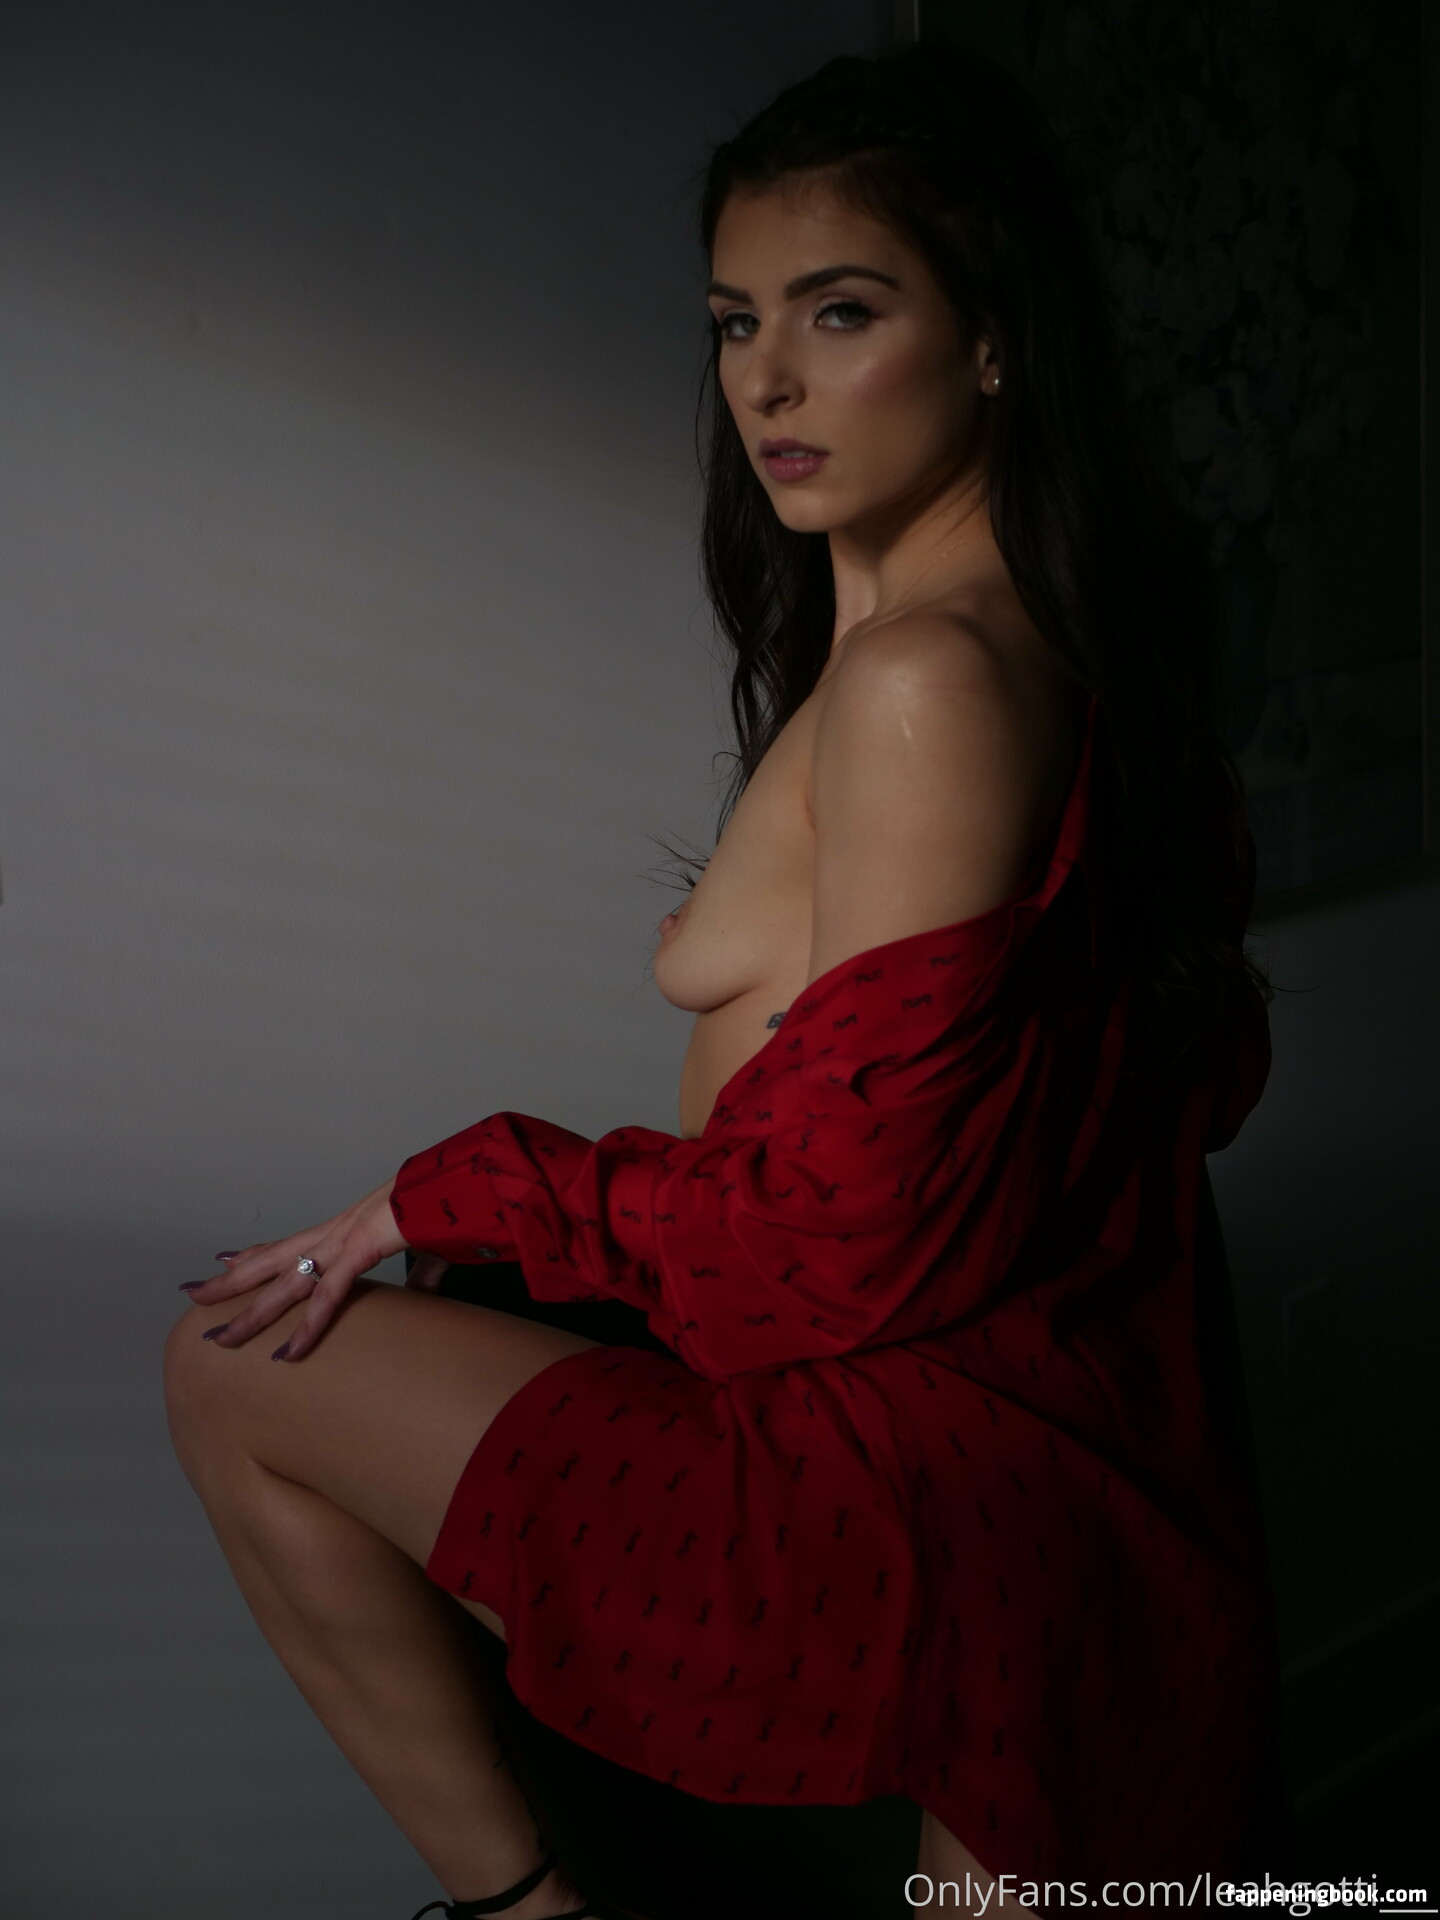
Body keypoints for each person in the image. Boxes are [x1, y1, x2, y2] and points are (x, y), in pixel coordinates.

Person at [164, 40, 1279, 1920]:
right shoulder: (985, 646)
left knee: (229, 1366)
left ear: (991, 340)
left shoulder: (930, 685)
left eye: (840, 313)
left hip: (903, 1466)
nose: (765, 380)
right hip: (1017, 1447)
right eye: (734, 322)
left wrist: (461, 1191)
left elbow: (849, 1244)